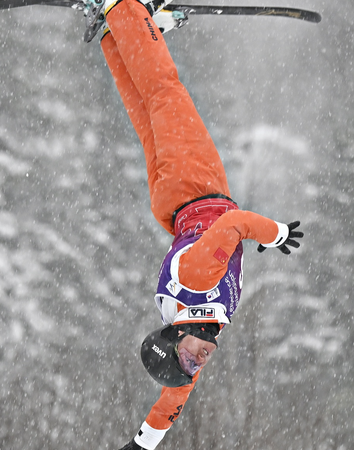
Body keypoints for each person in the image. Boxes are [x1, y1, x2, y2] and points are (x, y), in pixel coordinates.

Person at [91, 0, 304, 448]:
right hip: (171, 204)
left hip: (195, 184)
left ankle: (126, 9)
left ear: (174, 335)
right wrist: (144, 442)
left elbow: (238, 223)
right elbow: (175, 396)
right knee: (147, 110)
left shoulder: (198, 283)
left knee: (165, 92)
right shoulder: (197, 327)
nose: (196, 363)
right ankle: (118, 35)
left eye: (187, 357)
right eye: (192, 365)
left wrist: (276, 233)